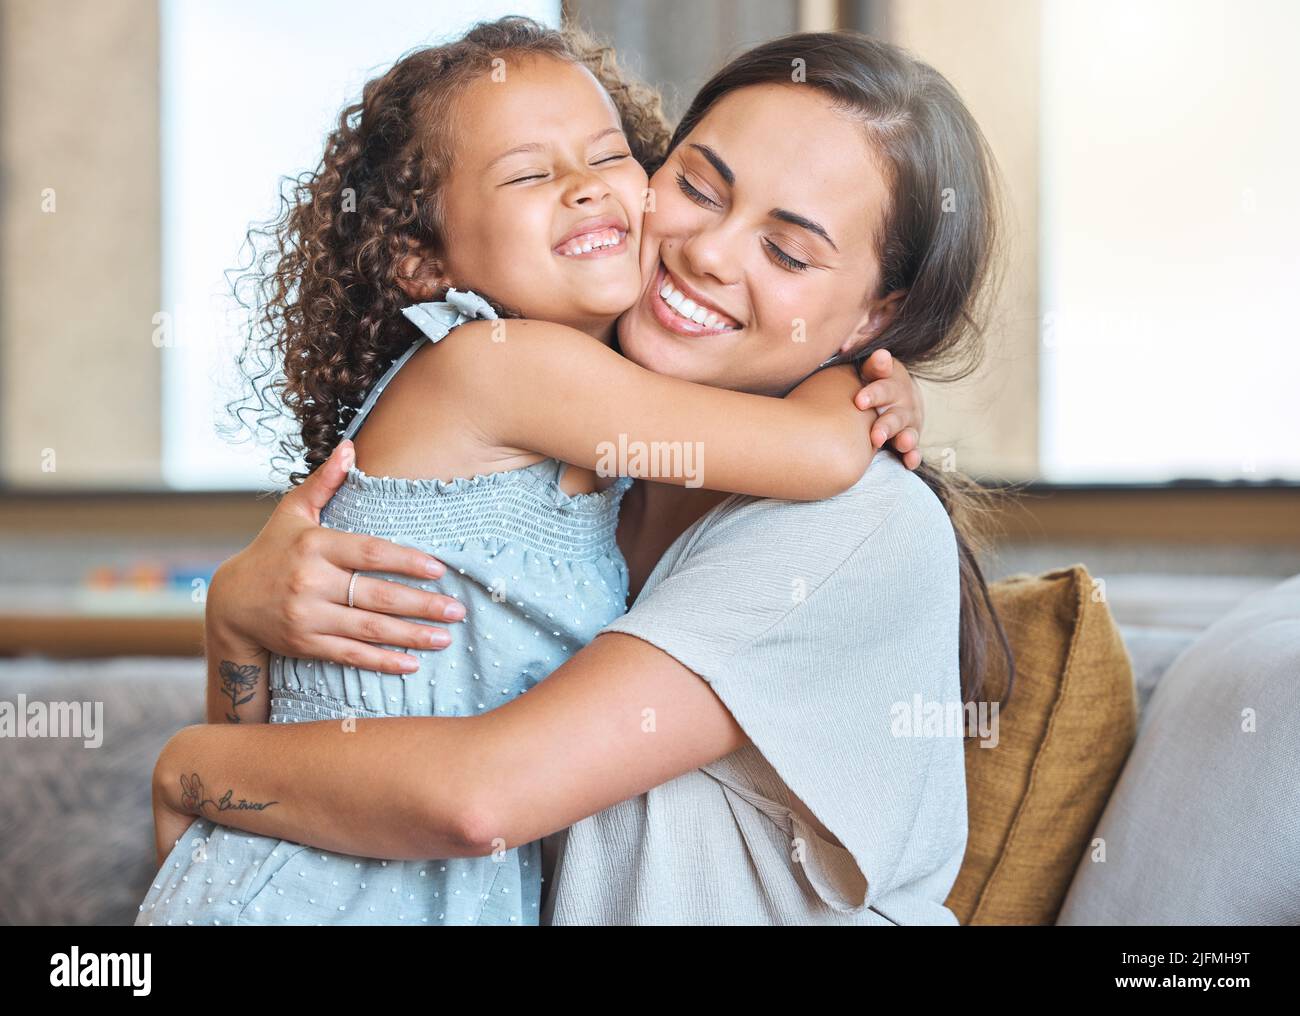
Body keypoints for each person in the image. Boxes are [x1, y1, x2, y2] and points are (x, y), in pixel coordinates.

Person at [148, 22, 1004, 926]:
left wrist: (192, 767)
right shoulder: (578, 465)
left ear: (878, 313)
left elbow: (477, 797)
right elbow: (308, 790)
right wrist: (236, 626)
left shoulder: (851, 523)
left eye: (789, 252)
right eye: (700, 187)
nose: (708, 252)